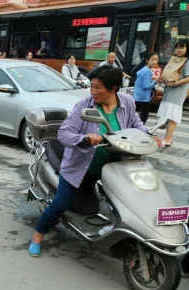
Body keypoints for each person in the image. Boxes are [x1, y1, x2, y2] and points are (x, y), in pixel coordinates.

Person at [28, 66, 162, 257]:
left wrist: (150, 135)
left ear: (113, 88)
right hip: (80, 166)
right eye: (91, 86)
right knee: (61, 203)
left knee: (129, 199)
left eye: (98, 88)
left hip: (114, 166)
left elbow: (135, 124)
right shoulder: (84, 106)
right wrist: (84, 138)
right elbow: (64, 133)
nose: (93, 91)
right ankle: (38, 236)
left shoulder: (127, 102)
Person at [157, 40, 189, 147]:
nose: (178, 50)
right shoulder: (175, 60)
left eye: (182, 47)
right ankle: (167, 138)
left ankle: (168, 139)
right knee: (168, 115)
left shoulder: (187, 61)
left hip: (177, 92)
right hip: (169, 90)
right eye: (177, 48)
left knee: (173, 116)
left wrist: (175, 83)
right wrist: (163, 80)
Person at [134, 53, 159, 124]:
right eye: (152, 60)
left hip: (137, 96)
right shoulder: (147, 71)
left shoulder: (143, 69)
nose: (154, 62)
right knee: (143, 117)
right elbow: (146, 86)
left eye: (156, 60)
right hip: (144, 98)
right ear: (147, 60)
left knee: (137, 117)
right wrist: (155, 82)